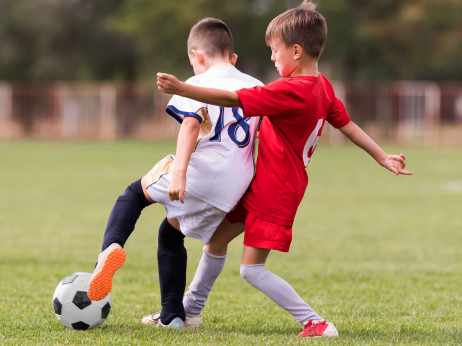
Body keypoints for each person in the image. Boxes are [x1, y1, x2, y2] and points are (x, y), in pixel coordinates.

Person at [156, 0, 413, 337]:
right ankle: (191, 313)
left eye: (275, 51)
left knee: (251, 271)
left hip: (274, 191)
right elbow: (347, 124)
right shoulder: (322, 87)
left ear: (295, 51)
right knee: (215, 243)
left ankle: (315, 323)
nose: (272, 58)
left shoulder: (289, 91)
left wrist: (182, 89)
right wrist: (381, 155)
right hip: (265, 184)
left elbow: (234, 99)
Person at [87, 17, 263, 328]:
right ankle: (172, 317)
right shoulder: (256, 86)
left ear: (197, 56)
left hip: (198, 172)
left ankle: (109, 249)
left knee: (133, 194)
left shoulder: (195, 83)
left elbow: (192, 124)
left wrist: (179, 172)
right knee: (170, 234)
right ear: (233, 58)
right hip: (234, 189)